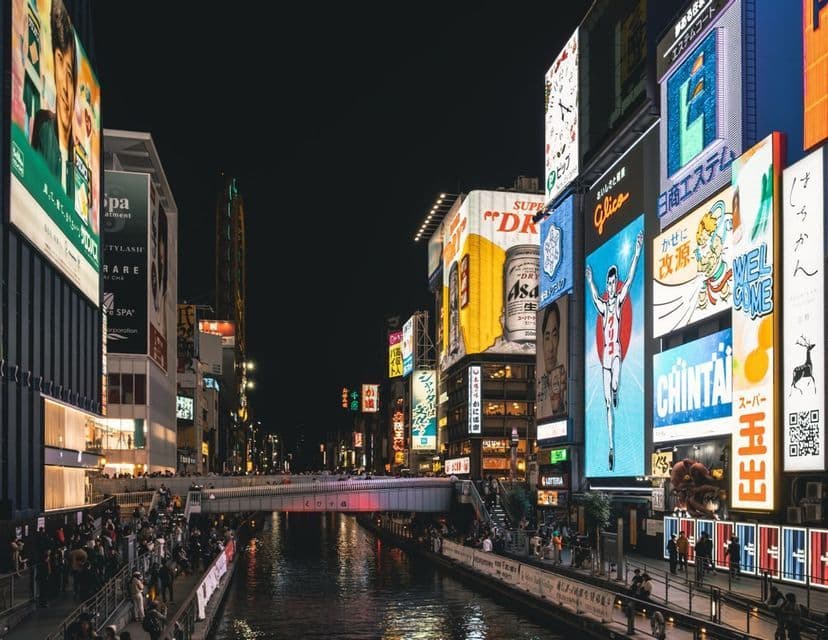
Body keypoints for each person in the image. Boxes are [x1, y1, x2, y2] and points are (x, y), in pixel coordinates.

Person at [586, 231, 643, 471]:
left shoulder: (618, 301)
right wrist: (590, 279)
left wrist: (638, 251)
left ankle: (617, 390)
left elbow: (630, 279)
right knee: (607, 403)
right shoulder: (602, 303)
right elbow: (592, 295)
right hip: (605, 361)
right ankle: (610, 447)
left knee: (616, 386)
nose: (610, 285)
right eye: (608, 283)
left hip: (616, 353)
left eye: (612, 282)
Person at [30, 0, 76, 202]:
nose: (66, 89)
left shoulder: (74, 153)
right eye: (62, 71)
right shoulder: (44, 126)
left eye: (70, 76)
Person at [537, 300, 567, 419]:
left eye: (554, 336)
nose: (550, 348)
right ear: (542, 340)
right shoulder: (540, 379)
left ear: (559, 337)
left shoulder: (564, 377)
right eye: (547, 337)